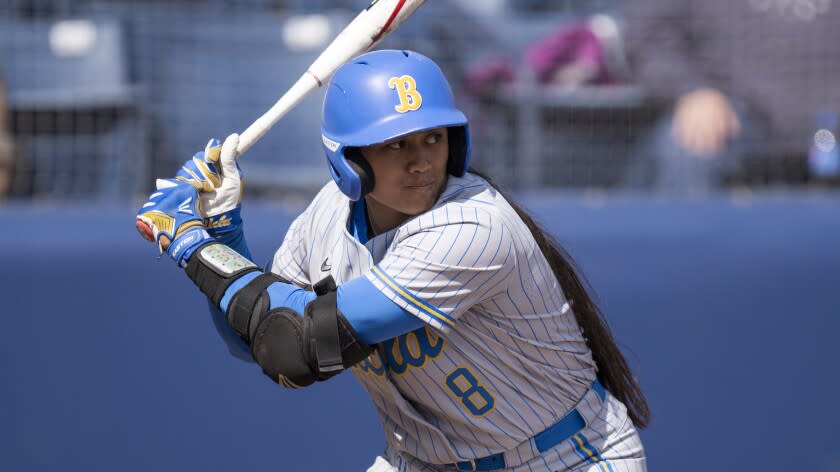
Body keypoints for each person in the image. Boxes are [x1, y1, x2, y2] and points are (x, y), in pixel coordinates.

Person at [136, 49, 649, 471]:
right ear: (349, 159)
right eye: (395, 144)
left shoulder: (472, 225)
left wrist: (193, 245)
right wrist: (223, 230)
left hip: (563, 458)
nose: (422, 161)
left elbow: (295, 346)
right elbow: (254, 341)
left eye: (433, 137)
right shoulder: (326, 219)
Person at [622, 0, 840, 193]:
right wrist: (692, 90)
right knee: (692, 147)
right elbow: (651, 41)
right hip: (736, 117)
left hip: (829, 123)